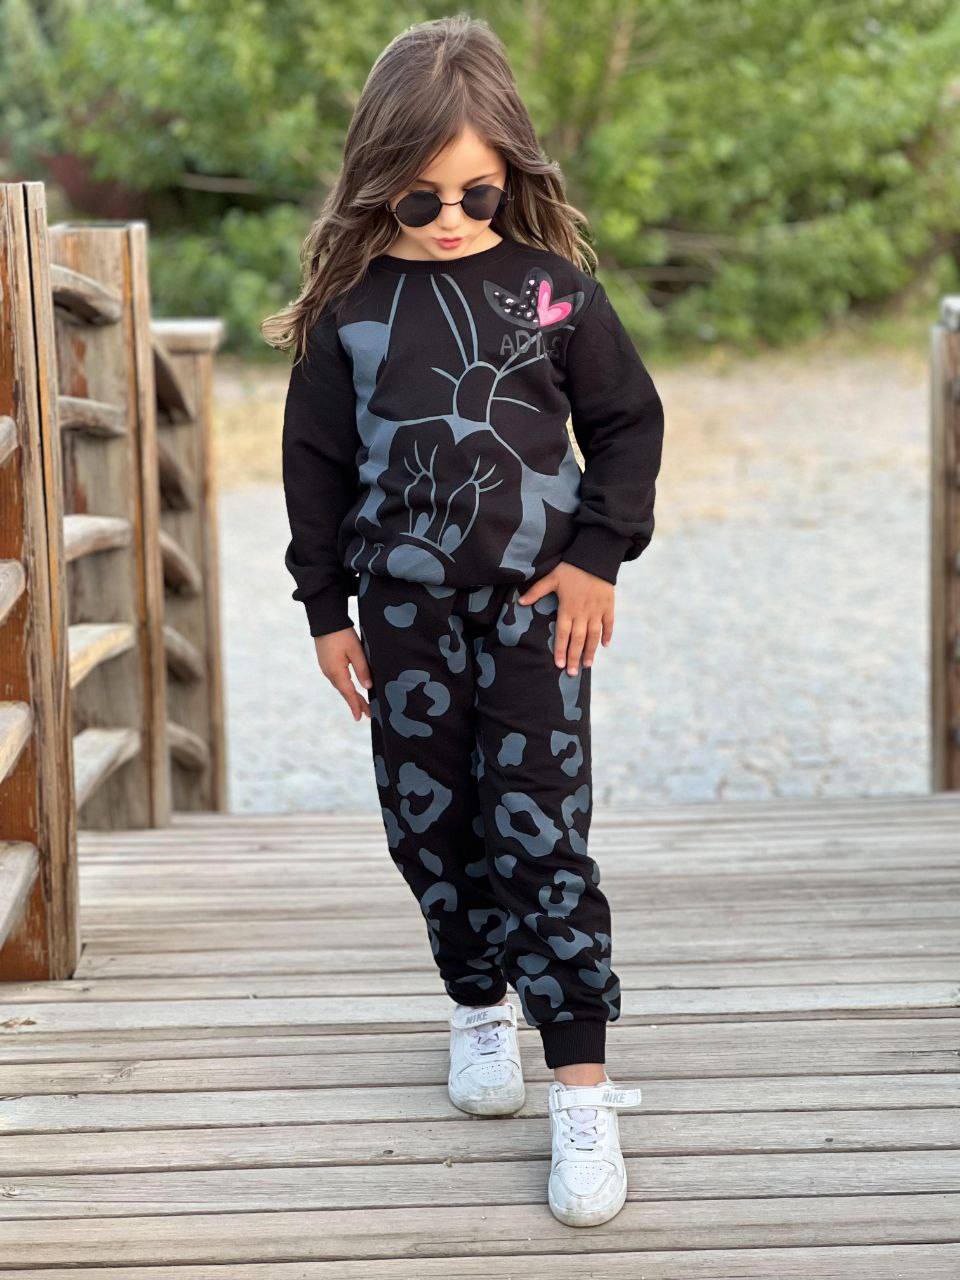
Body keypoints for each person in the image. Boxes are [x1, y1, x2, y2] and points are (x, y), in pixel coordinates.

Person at [265, 14, 664, 1228]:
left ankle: (580, 1081)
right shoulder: (349, 312)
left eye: (477, 192)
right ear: (375, 179)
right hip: (401, 615)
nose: (449, 216)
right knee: (428, 820)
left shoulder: (554, 294)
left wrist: (598, 558)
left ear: (513, 176)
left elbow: (629, 424)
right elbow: (313, 469)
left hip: (539, 615)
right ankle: (478, 999)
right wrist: (325, 608)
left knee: (541, 826)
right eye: (419, 195)